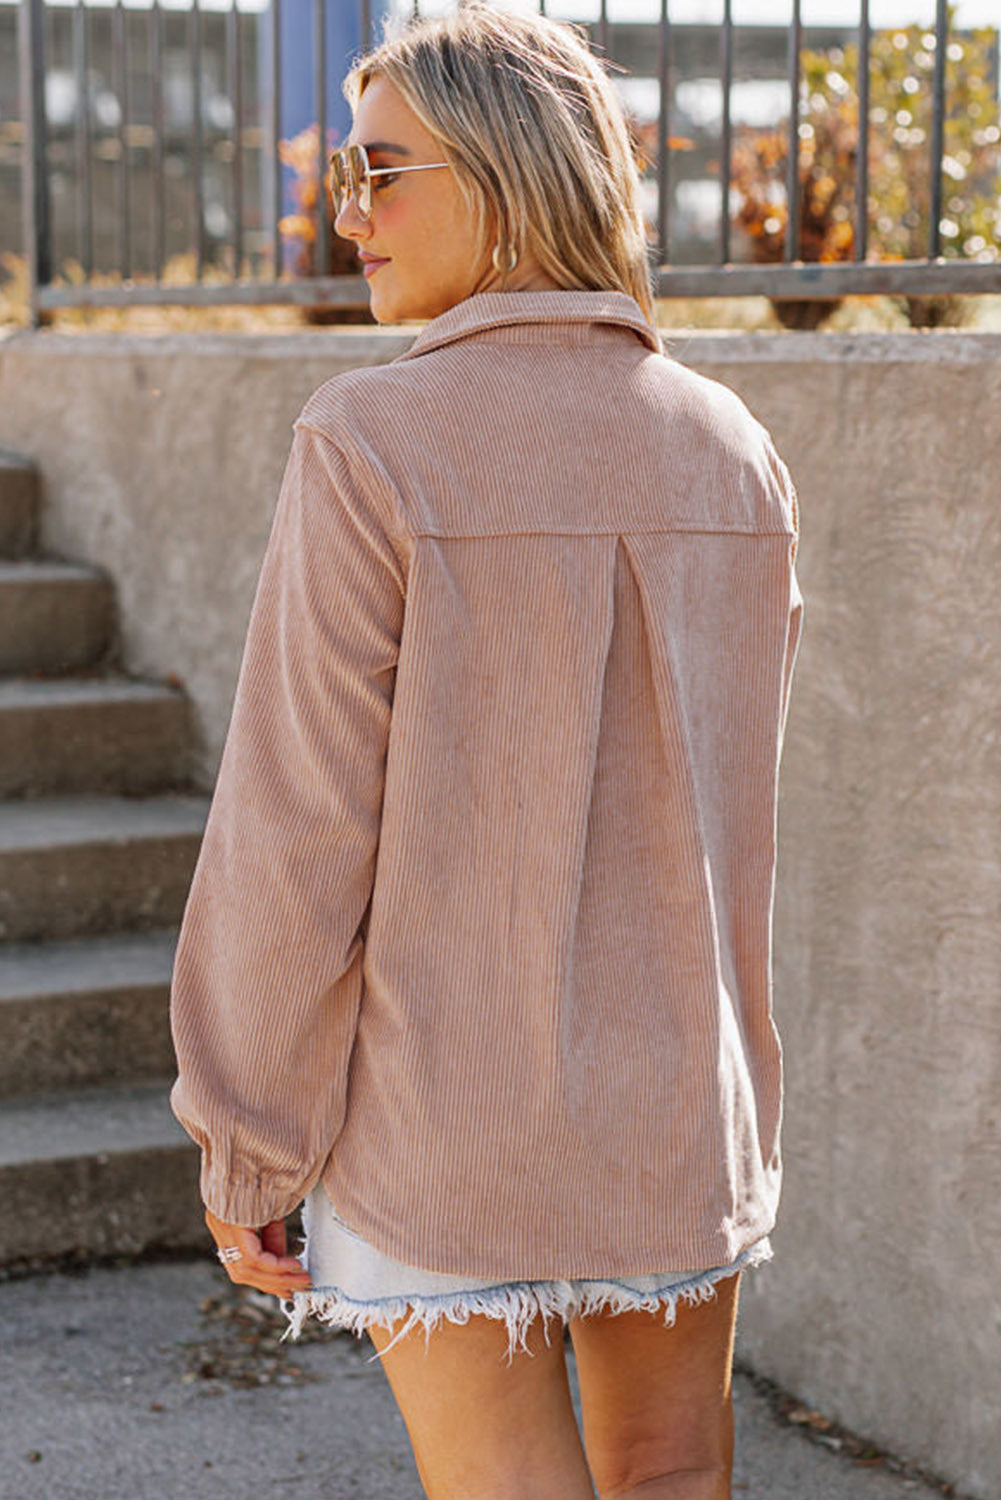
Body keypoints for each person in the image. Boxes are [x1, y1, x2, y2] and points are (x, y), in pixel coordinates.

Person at [168, 5, 804, 1497]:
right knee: (670, 1472)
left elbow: (296, 823)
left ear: (509, 176)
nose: (351, 216)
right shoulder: (728, 442)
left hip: (448, 1113)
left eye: (381, 172)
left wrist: (246, 1140)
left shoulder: (372, 440)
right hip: (675, 1106)